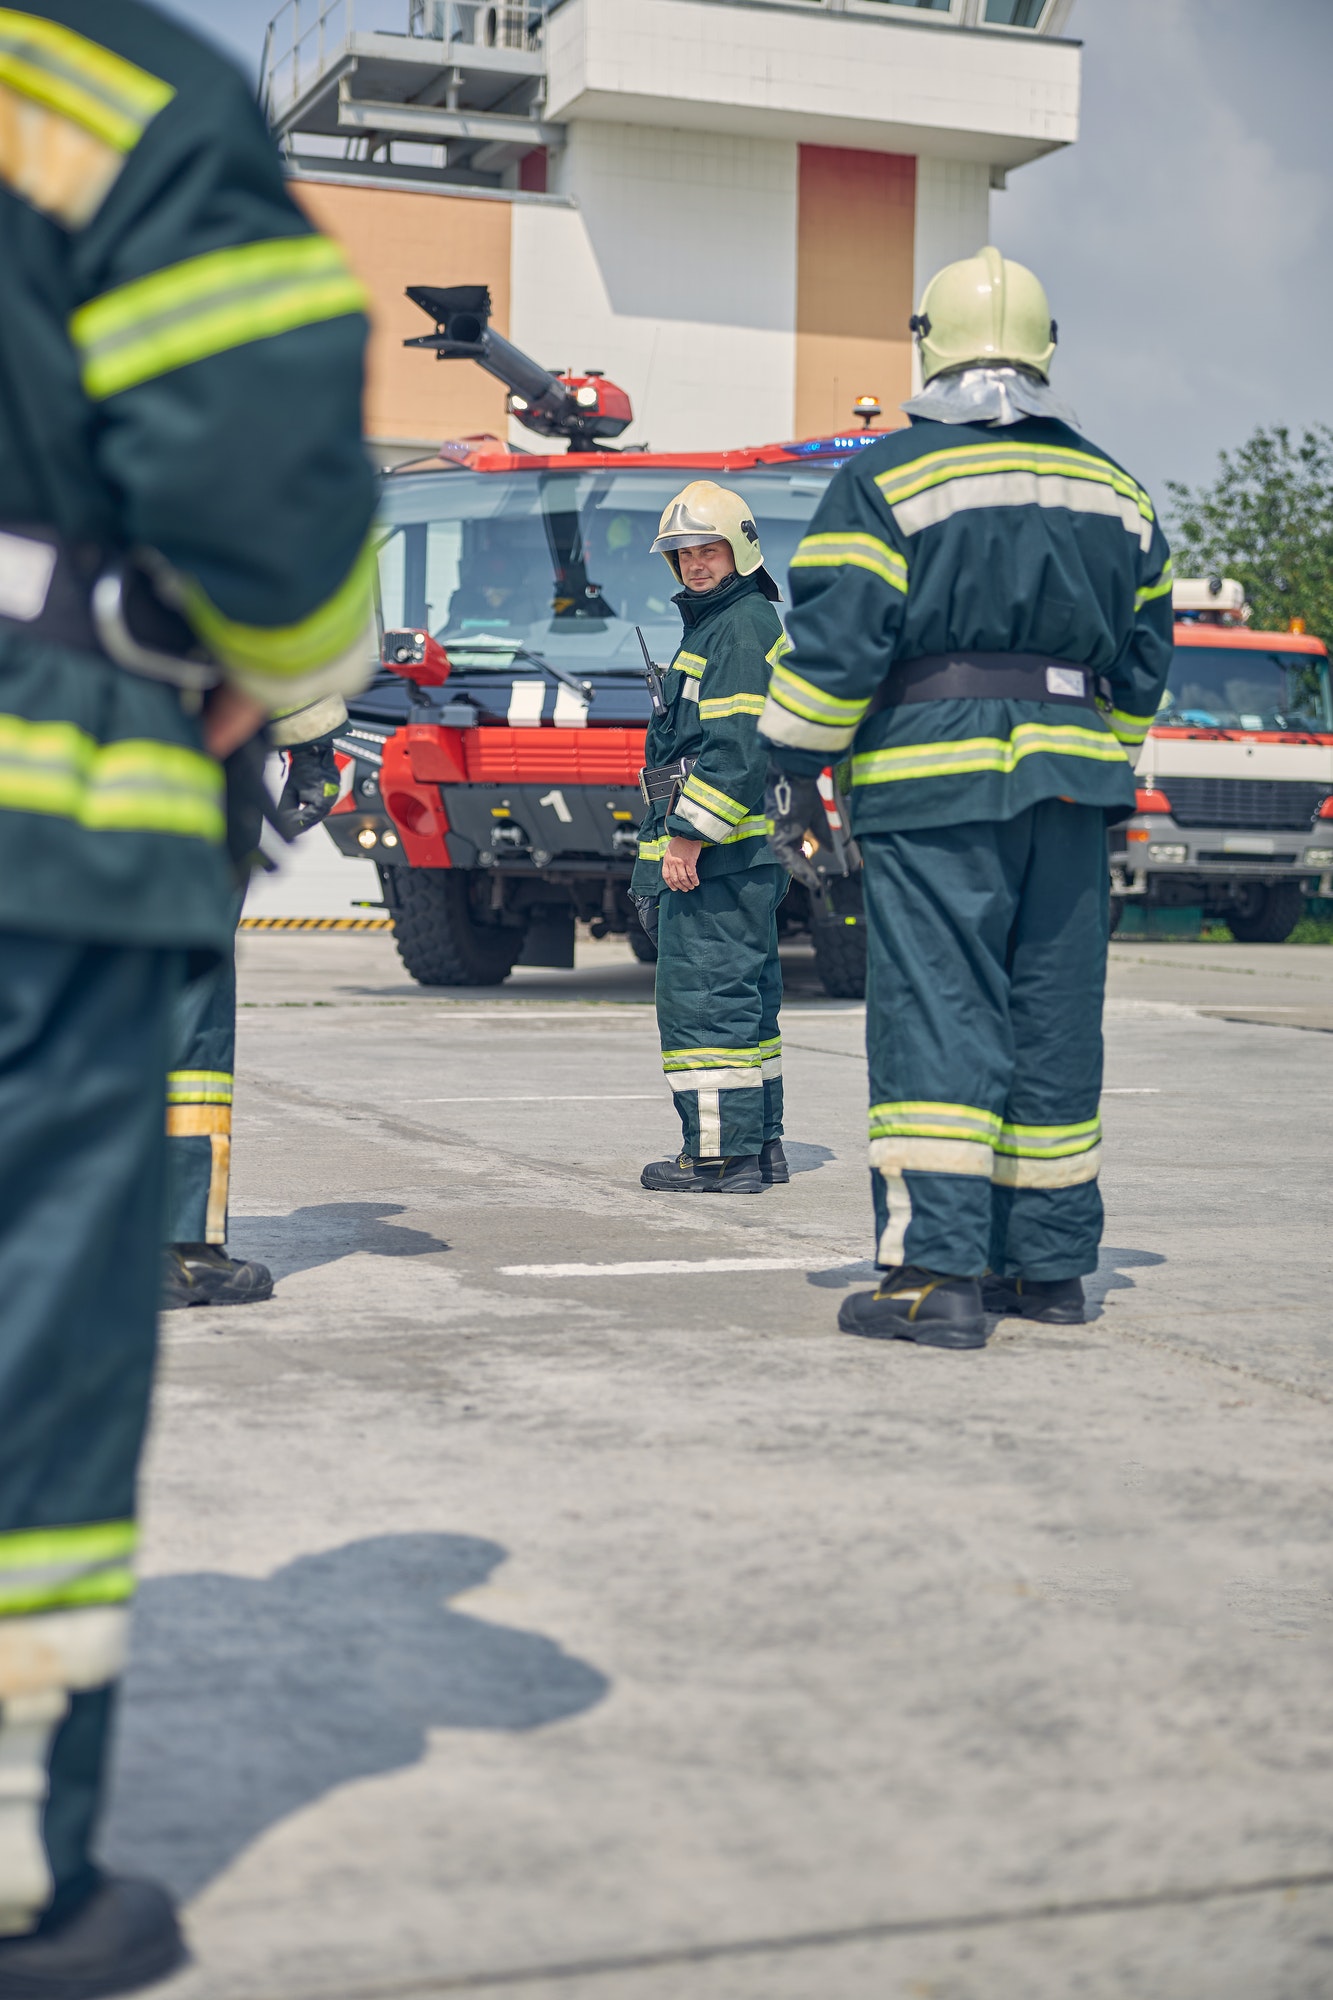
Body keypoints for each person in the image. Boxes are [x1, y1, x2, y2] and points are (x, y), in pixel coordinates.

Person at [0, 4, 376, 1992]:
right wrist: (289, 667)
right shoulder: (102, 90)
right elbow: (261, 467)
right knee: (18, 1371)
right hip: (38, 846)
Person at [761, 248, 1173, 1348]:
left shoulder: (889, 479)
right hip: (1074, 789)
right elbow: (1143, 661)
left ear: (927, 344)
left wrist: (792, 760)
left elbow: (840, 639)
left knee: (939, 1011)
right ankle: (1045, 1269)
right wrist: (1096, 761)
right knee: (1050, 1015)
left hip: (932, 780)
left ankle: (933, 1273)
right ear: (1044, 350)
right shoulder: (1117, 490)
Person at [162, 700, 345, 1310]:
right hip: (176, 791)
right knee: (190, 1019)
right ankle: (181, 1249)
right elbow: (276, 625)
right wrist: (315, 747)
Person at [633, 482, 788, 1193]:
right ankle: (760, 1148)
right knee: (744, 1003)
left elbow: (736, 749)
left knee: (704, 1001)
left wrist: (688, 836)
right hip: (740, 858)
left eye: (707, 550)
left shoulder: (739, 627)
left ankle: (720, 1157)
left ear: (741, 549)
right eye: (684, 554)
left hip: (720, 859)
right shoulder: (724, 624)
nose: (694, 565)